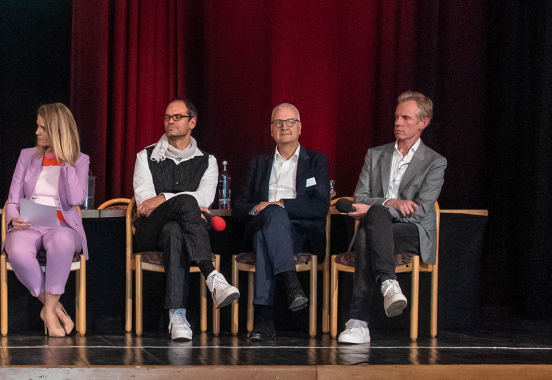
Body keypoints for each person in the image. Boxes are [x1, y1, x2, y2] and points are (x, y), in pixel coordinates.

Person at [336, 91, 446, 345]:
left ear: (423, 122)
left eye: (406, 118)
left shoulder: (435, 162)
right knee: (373, 225)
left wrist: (379, 210)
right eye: (396, 117)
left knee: (369, 230)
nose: (398, 123)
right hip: (380, 228)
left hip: (412, 230)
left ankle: (358, 321)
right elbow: (359, 196)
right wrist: (390, 203)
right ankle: (388, 282)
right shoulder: (375, 155)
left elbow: (421, 208)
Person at [132, 98, 239, 341]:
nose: (170, 121)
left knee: (174, 231)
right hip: (150, 231)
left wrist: (163, 197)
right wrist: (174, 199)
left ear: (192, 122)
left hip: (181, 233)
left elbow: (205, 198)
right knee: (186, 203)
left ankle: (177, 316)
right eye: (167, 117)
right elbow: (146, 204)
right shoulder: (145, 156)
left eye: (177, 117)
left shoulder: (208, 161)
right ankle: (212, 277)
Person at [231, 103, 331, 340]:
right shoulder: (258, 163)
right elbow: (238, 207)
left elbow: (320, 206)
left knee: (264, 236)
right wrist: (259, 208)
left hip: (299, 232)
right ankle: (291, 283)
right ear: (271, 129)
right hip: (261, 220)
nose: (284, 127)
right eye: (278, 122)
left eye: (290, 122)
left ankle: (264, 319)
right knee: (269, 220)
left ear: (300, 128)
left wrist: (280, 204)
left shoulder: (316, 160)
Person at [4, 103, 90, 337]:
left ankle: (49, 312)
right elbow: (12, 200)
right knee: (18, 251)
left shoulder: (80, 160)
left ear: (58, 131)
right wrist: (14, 219)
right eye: (38, 126)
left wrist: (66, 163)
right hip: (30, 224)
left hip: (63, 226)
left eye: (43, 128)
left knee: (61, 241)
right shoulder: (27, 156)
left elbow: (76, 199)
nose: (37, 132)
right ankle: (54, 310)